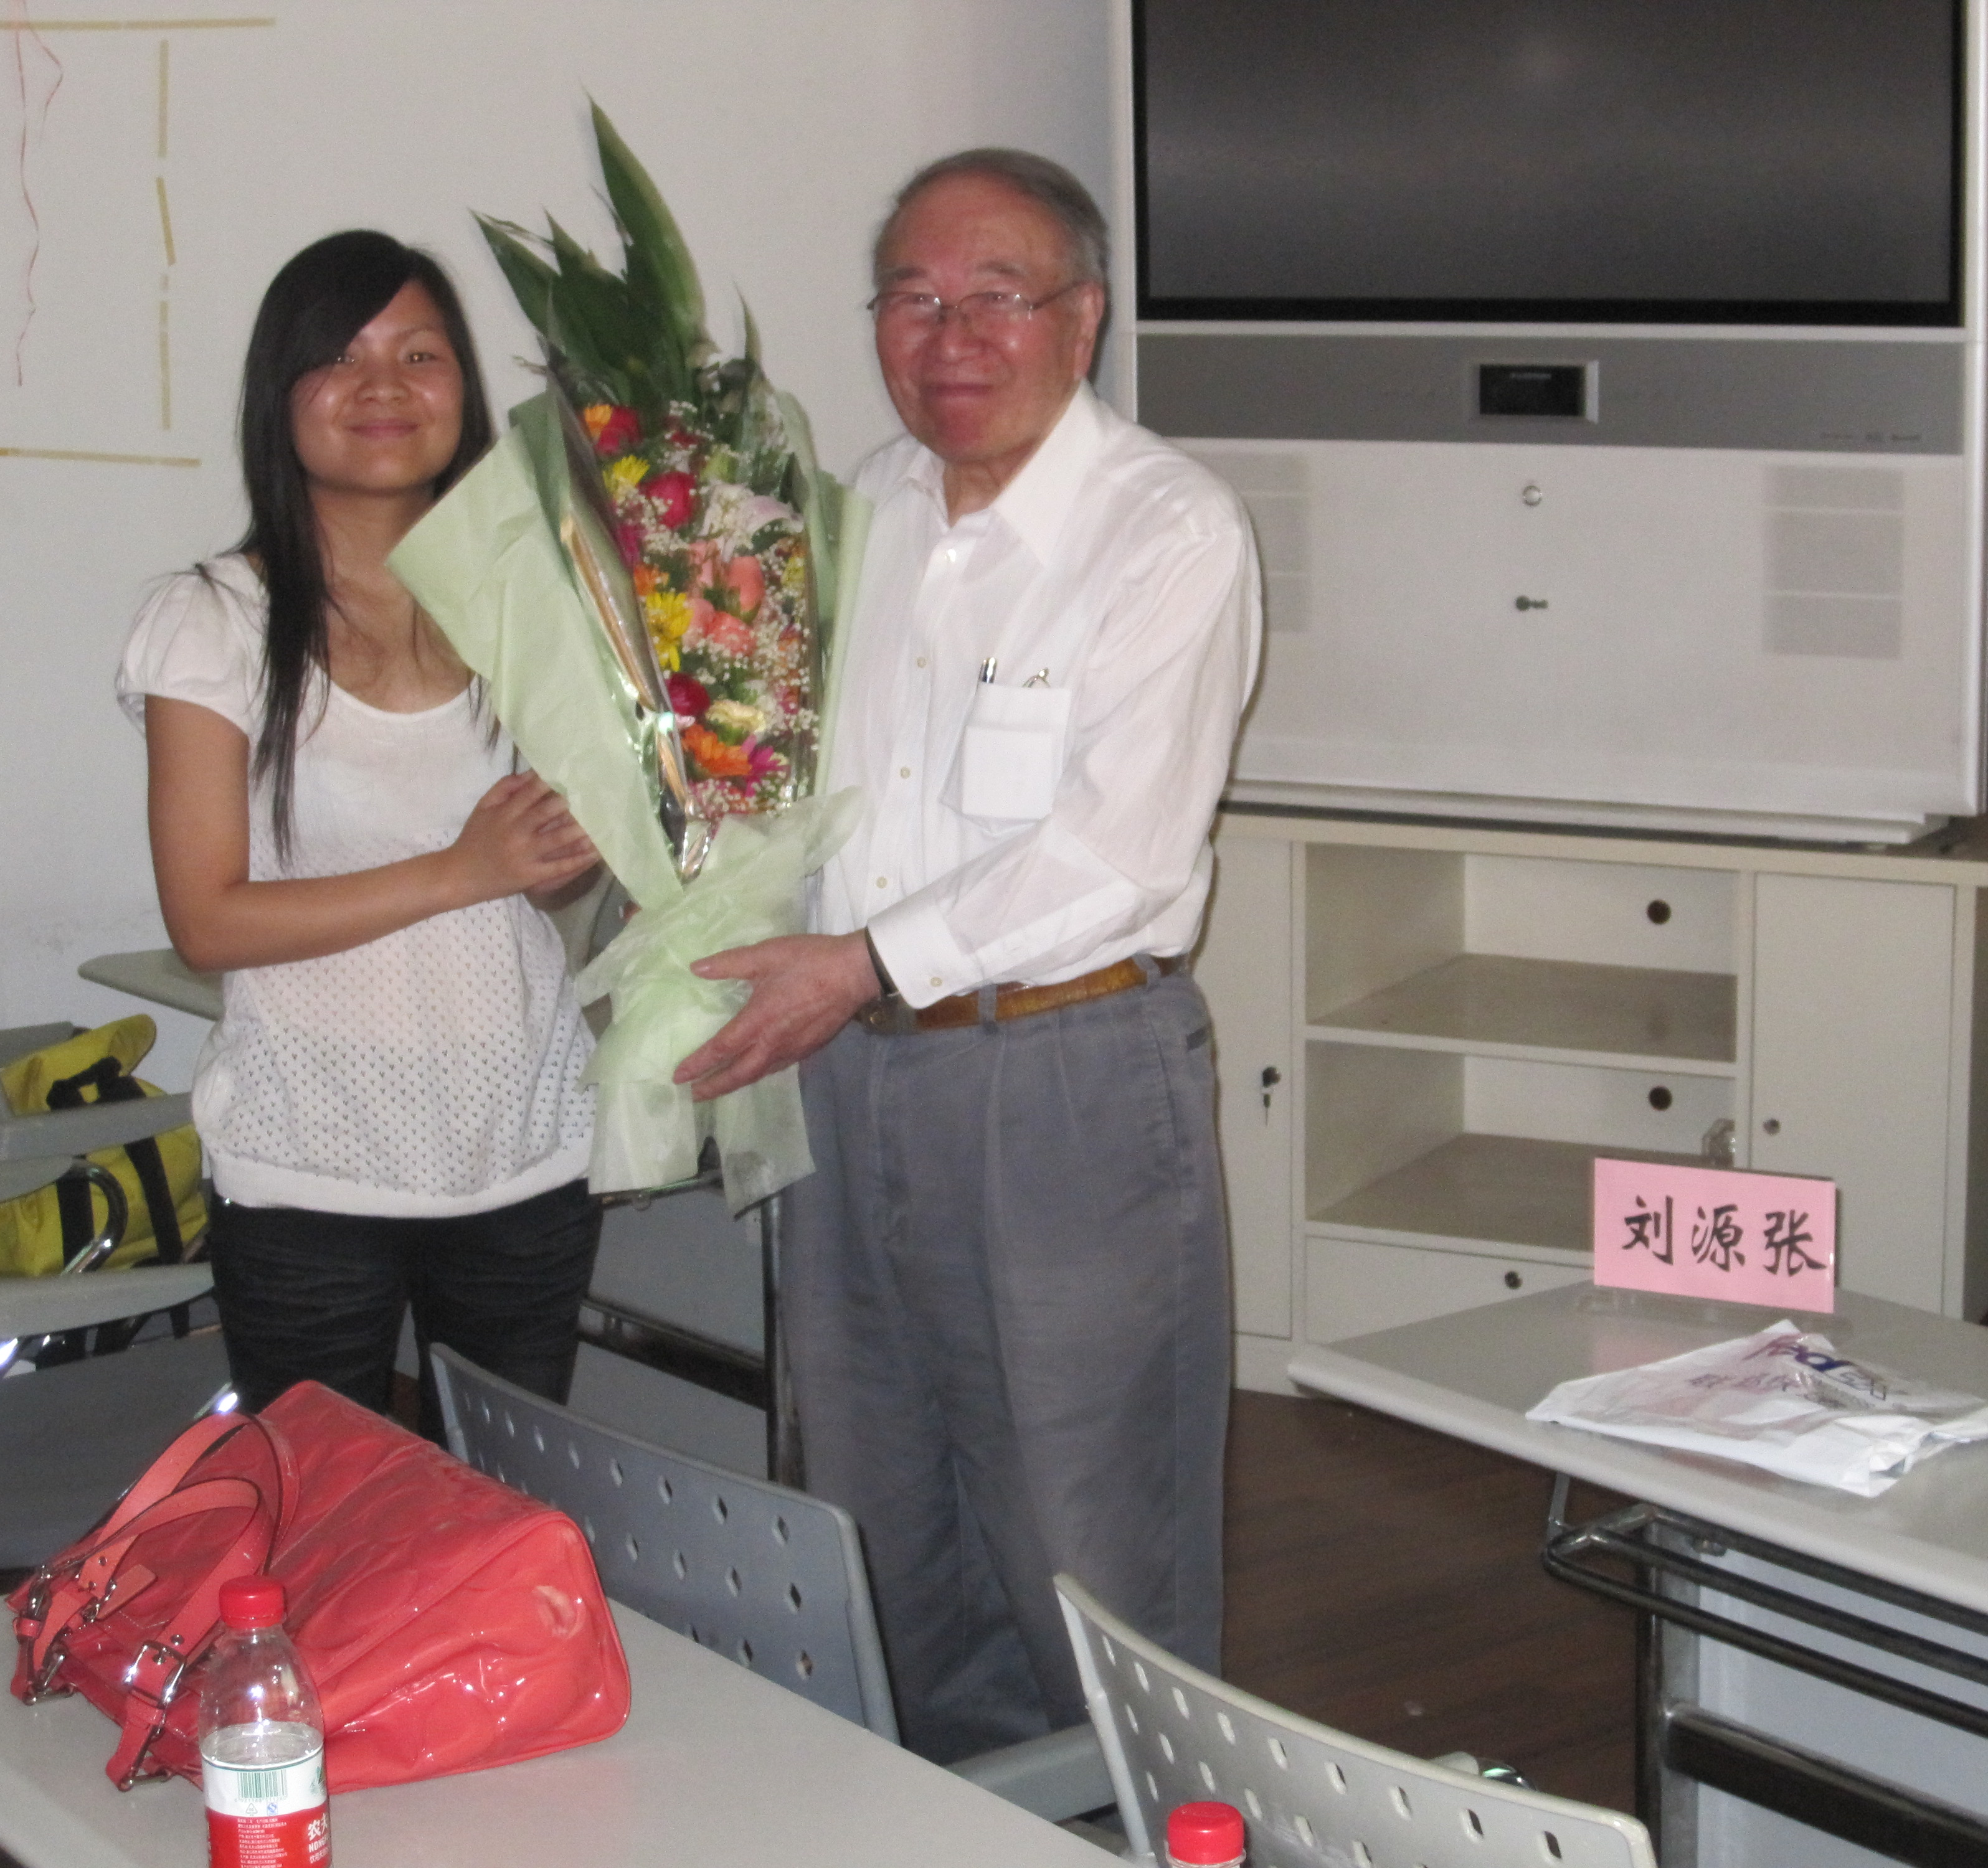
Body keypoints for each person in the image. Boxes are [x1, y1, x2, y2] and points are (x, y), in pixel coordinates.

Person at [674, 151, 1262, 1760]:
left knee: (1090, 1518)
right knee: (878, 1506)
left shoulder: (1166, 528)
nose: (951, 336)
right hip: (848, 1071)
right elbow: (783, 778)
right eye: (913, 299)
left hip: (1062, 1077)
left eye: (996, 296)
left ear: (1083, 317)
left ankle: (1148, 1824)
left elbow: (1119, 848)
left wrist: (858, 964)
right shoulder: (854, 508)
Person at [118, 230, 605, 1439]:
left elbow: (544, 881)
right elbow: (207, 922)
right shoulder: (213, 621)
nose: (384, 386)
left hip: (526, 1145)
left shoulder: (538, 600)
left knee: (500, 1507)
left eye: (420, 355)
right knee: (325, 1514)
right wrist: (460, 872)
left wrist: (607, 836)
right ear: (278, 396)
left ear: (463, 391)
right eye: (340, 357)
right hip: (309, 1163)